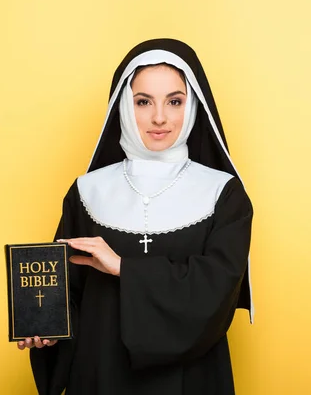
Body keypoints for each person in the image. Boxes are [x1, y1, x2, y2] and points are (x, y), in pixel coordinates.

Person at [17, 38, 254, 395]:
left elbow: (215, 293)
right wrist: (46, 330)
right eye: (143, 102)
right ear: (124, 108)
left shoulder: (223, 194)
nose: (159, 117)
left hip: (191, 381)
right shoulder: (87, 192)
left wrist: (123, 268)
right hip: (100, 373)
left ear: (192, 108)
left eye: (175, 101)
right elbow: (68, 297)